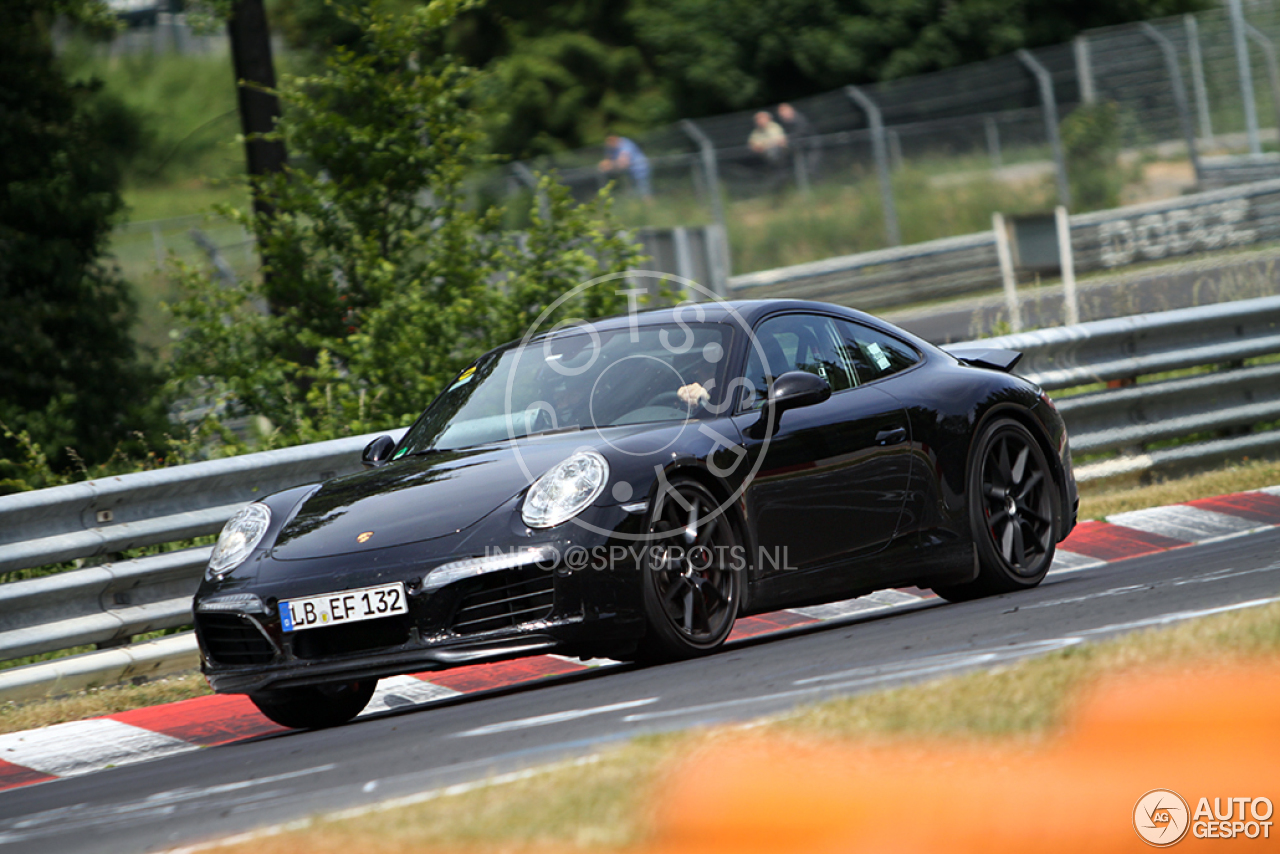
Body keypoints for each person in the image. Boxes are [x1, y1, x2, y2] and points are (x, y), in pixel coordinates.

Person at [599, 134, 652, 200]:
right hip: (629, 173)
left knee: (644, 192)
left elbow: (624, 163)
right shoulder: (611, 146)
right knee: (633, 195)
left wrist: (611, 165)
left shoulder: (625, 144)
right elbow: (606, 160)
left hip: (639, 170)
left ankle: (649, 207)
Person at [777, 102, 818, 173]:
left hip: (811, 144)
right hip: (801, 145)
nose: (783, 115)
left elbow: (802, 132)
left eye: (784, 112)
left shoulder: (799, 119)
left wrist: (787, 139)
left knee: (812, 165)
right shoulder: (786, 123)